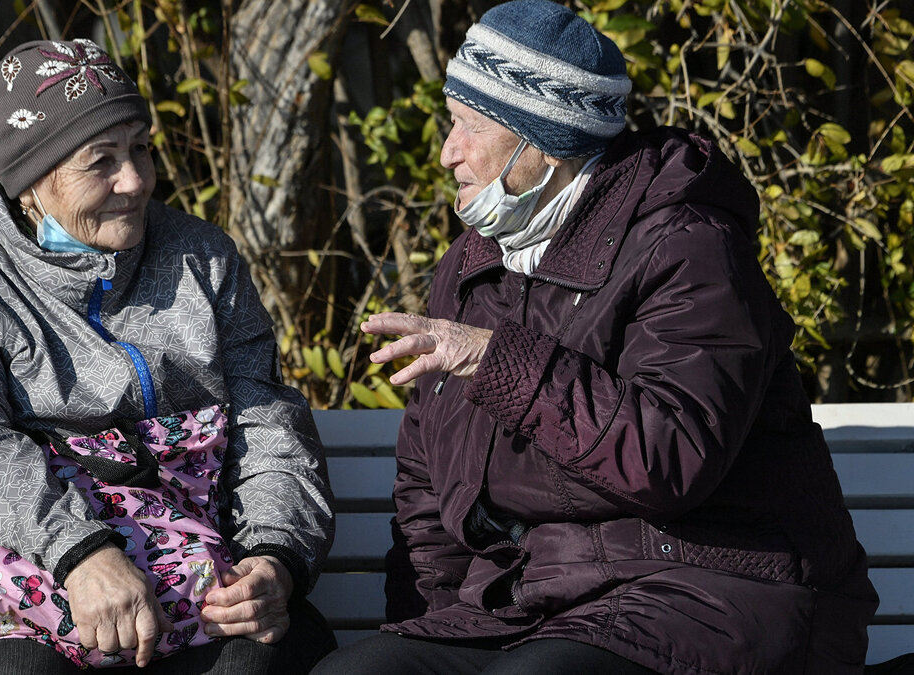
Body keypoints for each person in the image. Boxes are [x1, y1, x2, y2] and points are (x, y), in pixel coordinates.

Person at [312, 2, 878, 674]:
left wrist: (499, 360)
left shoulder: (689, 246)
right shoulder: (474, 263)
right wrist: (429, 626)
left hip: (709, 588)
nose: (448, 151)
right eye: (451, 121)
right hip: (536, 604)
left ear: (544, 140)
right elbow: (428, 486)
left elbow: (670, 456)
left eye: (472, 126)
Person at [0, 38, 335, 675]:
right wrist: (81, 552)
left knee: (258, 658)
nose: (136, 181)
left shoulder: (201, 257)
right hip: (22, 570)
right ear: (30, 181)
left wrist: (273, 557)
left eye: (141, 149)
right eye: (102, 161)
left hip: (187, 570)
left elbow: (264, 420)